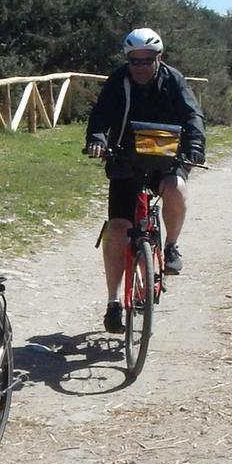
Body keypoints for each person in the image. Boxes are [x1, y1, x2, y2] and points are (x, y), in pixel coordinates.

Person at [85, 28, 206, 333]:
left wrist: (195, 148)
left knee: (175, 189)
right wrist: (97, 139)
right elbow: (100, 115)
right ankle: (113, 302)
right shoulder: (118, 80)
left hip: (166, 159)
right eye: (134, 61)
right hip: (126, 159)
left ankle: (171, 246)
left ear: (158, 58)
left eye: (146, 61)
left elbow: (193, 116)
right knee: (117, 228)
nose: (140, 67)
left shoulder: (173, 80)